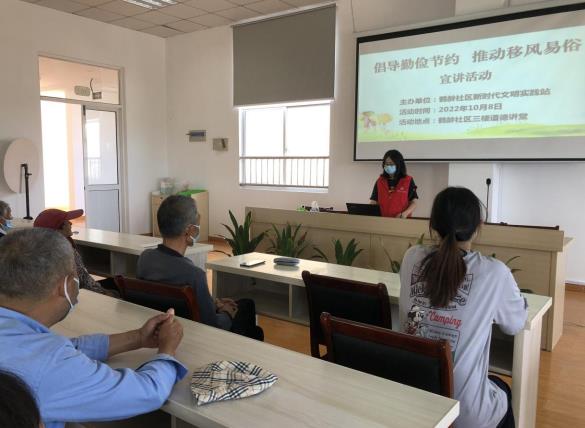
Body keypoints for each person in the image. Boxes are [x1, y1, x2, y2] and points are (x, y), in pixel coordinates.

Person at [0, 228, 186, 428]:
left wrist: (138, 338)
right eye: (75, 275)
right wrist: (167, 350)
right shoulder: (48, 364)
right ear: (63, 286)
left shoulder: (22, 340)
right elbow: (147, 393)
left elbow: (67, 350)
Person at [399, 187, 527, 428]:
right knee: (502, 388)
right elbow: (515, 324)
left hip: (413, 399)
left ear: (432, 224)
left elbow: (416, 312)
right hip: (466, 415)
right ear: (478, 227)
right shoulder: (494, 272)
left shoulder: (412, 258)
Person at [137, 195, 264, 341]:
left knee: (253, 326)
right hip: (197, 336)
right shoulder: (194, 275)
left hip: (163, 328)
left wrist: (214, 303)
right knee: (247, 306)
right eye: (197, 222)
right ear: (190, 231)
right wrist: (227, 313)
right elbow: (213, 325)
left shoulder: (144, 258)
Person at [34, 208, 108, 294]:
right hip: (78, 295)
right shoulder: (65, 251)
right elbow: (84, 281)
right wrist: (106, 293)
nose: (70, 223)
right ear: (59, 228)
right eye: (67, 221)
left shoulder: (37, 250)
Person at [369, 149, 418, 218]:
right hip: (382, 220)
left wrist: (405, 213)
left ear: (399, 164)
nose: (388, 166)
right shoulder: (380, 181)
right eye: (386, 164)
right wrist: (369, 211)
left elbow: (414, 202)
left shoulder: (408, 180)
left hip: (401, 220)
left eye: (391, 164)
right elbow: (373, 201)